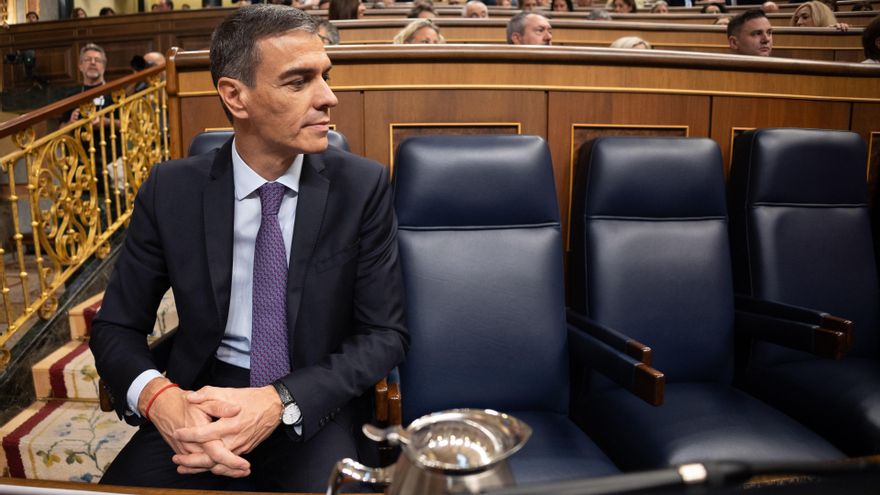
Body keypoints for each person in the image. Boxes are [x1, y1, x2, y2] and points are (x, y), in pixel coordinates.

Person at [90, 5, 408, 492]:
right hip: (199, 401)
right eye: (299, 82)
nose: (329, 97)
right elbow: (116, 326)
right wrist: (160, 400)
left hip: (312, 402)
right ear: (235, 96)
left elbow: (385, 334)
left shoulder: (361, 187)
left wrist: (279, 401)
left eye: (325, 76)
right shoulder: (170, 190)